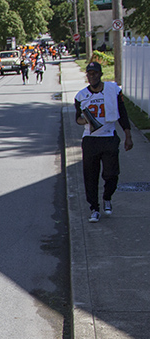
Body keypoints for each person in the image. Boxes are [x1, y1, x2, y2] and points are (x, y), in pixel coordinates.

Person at [74, 61, 134, 223]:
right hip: (90, 140)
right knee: (90, 176)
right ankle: (94, 208)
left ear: (100, 74)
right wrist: (86, 120)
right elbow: (77, 119)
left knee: (111, 174)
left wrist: (128, 135)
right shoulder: (81, 96)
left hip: (109, 137)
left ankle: (107, 197)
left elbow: (122, 113)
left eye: (94, 73)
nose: (92, 76)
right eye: (89, 74)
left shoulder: (112, 91)